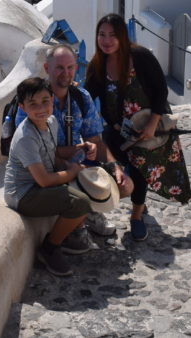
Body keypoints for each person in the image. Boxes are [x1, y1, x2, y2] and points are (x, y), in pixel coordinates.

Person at [84, 14, 191, 242]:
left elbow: (161, 90)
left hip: (146, 127)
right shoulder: (97, 65)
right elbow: (86, 97)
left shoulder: (140, 57)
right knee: (116, 167)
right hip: (116, 129)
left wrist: (153, 123)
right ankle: (126, 203)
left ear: (122, 36)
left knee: (140, 166)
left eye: (113, 35)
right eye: (102, 35)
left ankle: (136, 215)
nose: (107, 40)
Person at [15, 44, 134, 242]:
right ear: (47, 68)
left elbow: (95, 139)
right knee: (77, 186)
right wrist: (71, 167)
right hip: (46, 168)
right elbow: (36, 148)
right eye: (60, 67)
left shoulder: (81, 97)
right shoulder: (34, 100)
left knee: (125, 186)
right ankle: (78, 218)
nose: (66, 73)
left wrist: (115, 167)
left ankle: (88, 213)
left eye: (70, 67)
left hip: (76, 164)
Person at [3, 76, 90, 276]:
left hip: (40, 185)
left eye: (45, 101)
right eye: (32, 104)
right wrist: (71, 172)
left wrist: (80, 149)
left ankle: (70, 234)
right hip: (24, 194)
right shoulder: (26, 137)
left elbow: (54, 153)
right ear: (23, 108)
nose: (40, 108)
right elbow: (43, 180)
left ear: (52, 100)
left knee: (87, 186)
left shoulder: (51, 122)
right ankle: (49, 248)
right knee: (80, 202)